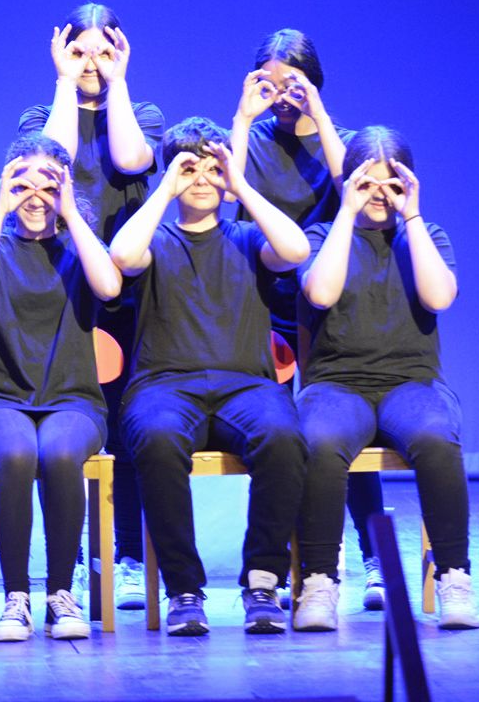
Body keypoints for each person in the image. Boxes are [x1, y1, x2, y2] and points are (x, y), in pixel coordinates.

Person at [109, 117, 310, 636]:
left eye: (212, 167)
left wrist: (239, 185)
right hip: (164, 386)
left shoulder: (246, 237)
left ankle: (262, 581)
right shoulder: (157, 236)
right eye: (189, 168)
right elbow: (123, 257)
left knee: (285, 436)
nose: (202, 178)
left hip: (246, 385)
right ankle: (184, 590)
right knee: (154, 439)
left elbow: (295, 251)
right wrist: (163, 189)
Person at [291, 126, 479, 631]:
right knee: (321, 441)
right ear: (347, 183)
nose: (380, 195)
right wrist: (346, 215)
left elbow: (439, 298)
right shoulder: (319, 237)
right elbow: (320, 295)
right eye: (367, 183)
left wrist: (412, 215)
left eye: (391, 184)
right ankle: (319, 582)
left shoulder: (426, 235)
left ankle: (455, 576)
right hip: (337, 383)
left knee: (437, 439)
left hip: (410, 382)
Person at [228, 28, 387, 610]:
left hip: (327, 298)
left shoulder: (337, 140)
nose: (283, 95)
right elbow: (228, 194)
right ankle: (282, 562)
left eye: (292, 83)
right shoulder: (255, 137)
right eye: (270, 83)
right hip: (263, 296)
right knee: (274, 429)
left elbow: (352, 184)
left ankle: (371, 556)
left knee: (341, 425)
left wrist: (318, 114)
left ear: (314, 80)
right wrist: (243, 119)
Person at [17, 4, 163, 609]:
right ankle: (69, 562)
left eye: (105, 52)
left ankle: (127, 556)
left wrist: (120, 84)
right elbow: (56, 156)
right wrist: (63, 85)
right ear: (61, 54)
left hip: (128, 293)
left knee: (126, 430)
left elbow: (131, 161)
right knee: (66, 430)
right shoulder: (39, 115)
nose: (93, 64)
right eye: (80, 52)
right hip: (62, 289)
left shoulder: (143, 114)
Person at [0, 134, 122, 642]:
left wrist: (70, 212)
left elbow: (110, 288)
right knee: (17, 450)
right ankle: (15, 597)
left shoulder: (80, 250)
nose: (35, 196)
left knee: (57, 452)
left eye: (48, 186)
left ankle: (59, 593)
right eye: (22, 184)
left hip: (73, 400)